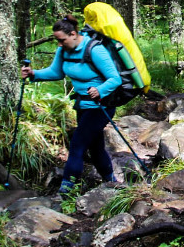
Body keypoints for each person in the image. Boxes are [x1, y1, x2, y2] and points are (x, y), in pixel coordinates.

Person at [21, 16, 123, 196]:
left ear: (74, 34)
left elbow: (115, 78)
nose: (59, 44)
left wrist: (100, 90)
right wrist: (33, 73)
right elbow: (56, 72)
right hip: (83, 104)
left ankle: (66, 190)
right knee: (95, 146)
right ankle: (111, 181)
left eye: (62, 40)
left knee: (77, 144)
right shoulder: (64, 50)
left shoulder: (95, 50)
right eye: (57, 40)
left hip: (101, 105)